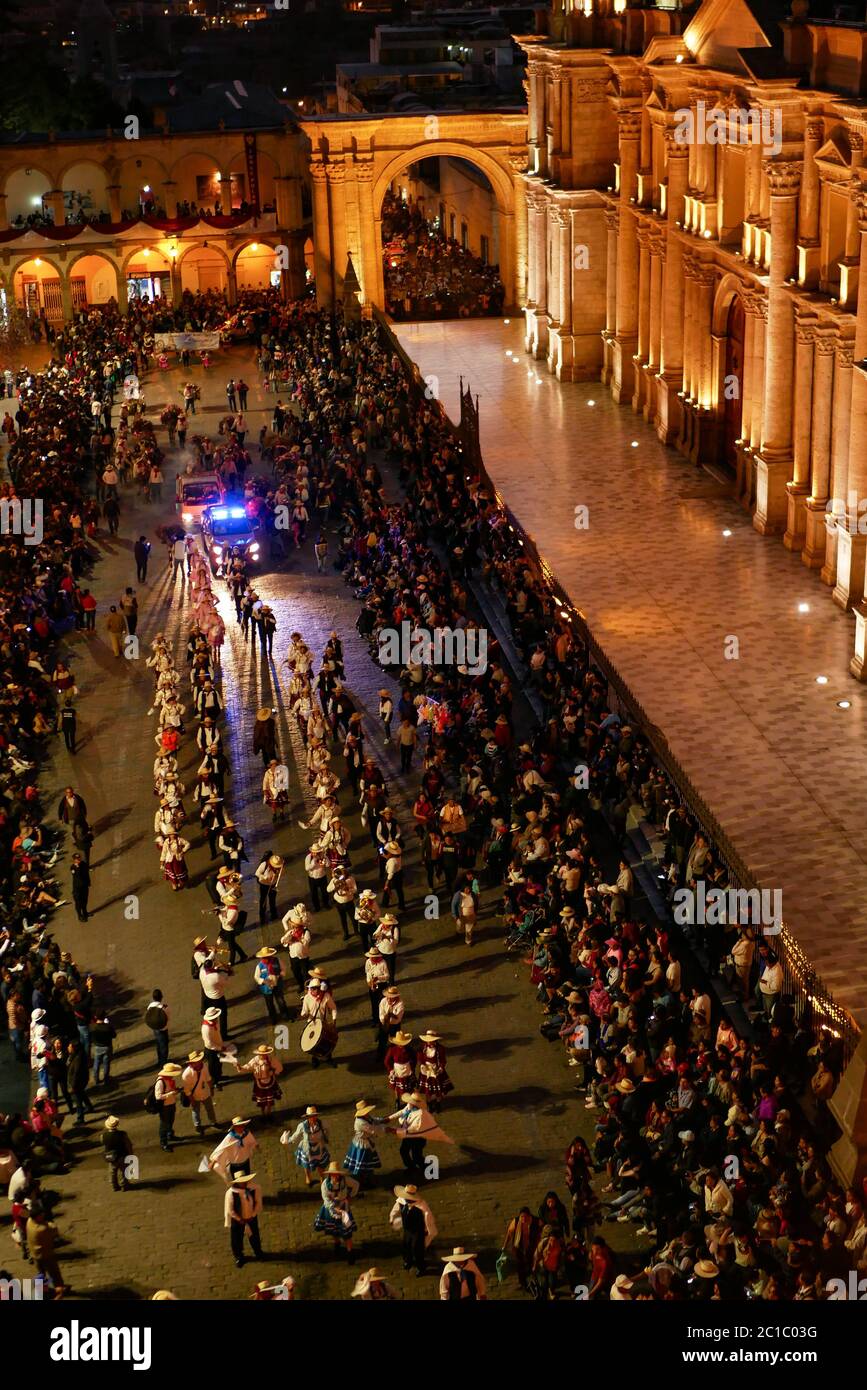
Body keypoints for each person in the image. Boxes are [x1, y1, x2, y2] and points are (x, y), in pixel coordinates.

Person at [314, 1162, 358, 1262]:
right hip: (330, 1210)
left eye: (337, 1174)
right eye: (333, 1174)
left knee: (347, 1233)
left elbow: (356, 1185)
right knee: (333, 1230)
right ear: (330, 1174)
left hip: (343, 1209)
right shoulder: (325, 1184)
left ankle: (350, 1253)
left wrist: (350, 1196)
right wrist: (334, 1207)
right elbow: (326, 1199)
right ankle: (337, 1243)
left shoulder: (345, 1180)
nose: (335, 1176)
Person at [390, 1182, 437, 1276]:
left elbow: (429, 1218)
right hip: (407, 1230)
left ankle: (421, 1267)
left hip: (418, 1231)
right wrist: (392, 1218)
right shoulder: (402, 1201)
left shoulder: (422, 1206)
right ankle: (408, 1261)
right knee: (406, 1245)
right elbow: (395, 1209)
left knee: (417, 1249)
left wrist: (429, 1230)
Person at [282, 1105, 330, 1186]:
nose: (313, 1118)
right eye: (311, 1116)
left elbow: (327, 1130)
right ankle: (308, 1176)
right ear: (307, 1117)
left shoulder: (321, 1123)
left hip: (319, 1147)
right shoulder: (302, 1126)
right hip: (307, 1148)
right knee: (306, 1165)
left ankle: (322, 1178)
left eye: (314, 1116)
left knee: (321, 1165)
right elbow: (295, 1136)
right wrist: (288, 1140)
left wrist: (325, 1137)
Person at [224, 1170, 263, 1268]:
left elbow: (258, 1203)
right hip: (238, 1220)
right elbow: (230, 1210)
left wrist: (253, 1215)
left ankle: (258, 1252)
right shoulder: (231, 1193)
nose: (244, 1183)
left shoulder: (254, 1188)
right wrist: (239, 1219)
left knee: (254, 1236)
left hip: (251, 1217)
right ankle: (239, 1256)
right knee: (236, 1239)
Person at [343, 1099, 386, 1188]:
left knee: (366, 1162)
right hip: (362, 1145)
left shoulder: (366, 1117)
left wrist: (383, 1120)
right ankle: (363, 1181)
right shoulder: (360, 1122)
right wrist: (387, 1129)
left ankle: (366, 1179)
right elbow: (373, 1130)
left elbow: (374, 1120)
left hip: (366, 1143)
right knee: (363, 1163)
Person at [236, 1043, 283, 1120]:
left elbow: (279, 1067)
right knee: (261, 1101)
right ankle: (263, 1115)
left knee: (269, 1101)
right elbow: (247, 1067)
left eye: (265, 1054)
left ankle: (269, 1114)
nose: (264, 1055)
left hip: (270, 1082)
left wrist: (274, 1072)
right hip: (259, 1083)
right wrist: (240, 1067)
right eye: (262, 1054)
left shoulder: (271, 1059)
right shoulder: (255, 1061)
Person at [210, 1117, 257, 1182]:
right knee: (238, 1181)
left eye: (242, 1125)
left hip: (245, 1162)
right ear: (235, 1127)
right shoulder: (230, 1137)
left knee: (247, 1179)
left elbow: (252, 1141)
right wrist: (213, 1161)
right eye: (239, 1126)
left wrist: (255, 1145)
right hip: (235, 1165)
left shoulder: (247, 1133)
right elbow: (222, 1148)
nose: (241, 1127)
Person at [182, 1051, 218, 1134]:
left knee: (210, 1108)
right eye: (197, 1061)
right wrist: (192, 1100)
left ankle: (213, 1122)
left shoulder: (204, 1066)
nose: (200, 1062)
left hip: (205, 1092)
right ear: (192, 1063)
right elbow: (187, 1091)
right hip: (194, 1096)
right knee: (195, 1111)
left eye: (200, 1060)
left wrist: (211, 1089)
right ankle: (197, 1126)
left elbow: (208, 1079)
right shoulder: (186, 1075)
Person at [253, 947, 291, 1024]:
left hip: (277, 986)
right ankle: (273, 1018)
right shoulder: (259, 966)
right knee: (270, 1004)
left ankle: (285, 1015)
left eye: (268, 957)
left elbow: (283, 969)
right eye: (265, 957)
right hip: (266, 988)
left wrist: (280, 975)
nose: (266, 959)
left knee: (281, 1001)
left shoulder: (277, 960)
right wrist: (263, 981)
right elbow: (256, 977)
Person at [153, 1061, 182, 1151]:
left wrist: (176, 1091)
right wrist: (171, 1093)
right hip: (164, 1106)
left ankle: (170, 1134)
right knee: (164, 1124)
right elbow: (158, 1096)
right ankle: (163, 1142)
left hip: (171, 1104)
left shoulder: (170, 1080)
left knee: (170, 1120)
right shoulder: (160, 1082)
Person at [102, 1116, 134, 1192]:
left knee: (112, 1172)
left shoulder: (103, 1136)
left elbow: (105, 1145)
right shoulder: (122, 1134)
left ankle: (114, 1186)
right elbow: (128, 1144)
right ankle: (124, 1185)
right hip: (122, 1156)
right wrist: (131, 1154)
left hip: (111, 1157)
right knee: (123, 1171)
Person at [255, 851, 283, 923]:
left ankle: (273, 915)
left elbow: (279, 875)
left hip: (273, 884)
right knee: (263, 901)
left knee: (272, 900)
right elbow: (257, 873)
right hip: (264, 885)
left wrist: (277, 876)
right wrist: (264, 877)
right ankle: (262, 917)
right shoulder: (264, 864)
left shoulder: (280, 865)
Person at [145, 989, 170, 1066]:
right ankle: (164, 1063)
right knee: (164, 1046)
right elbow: (168, 1018)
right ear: (161, 997)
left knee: (158, 1044)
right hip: (163, 1028)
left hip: (155, 1028)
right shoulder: (164, 1007)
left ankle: (160, 1060)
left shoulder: (150, 1006)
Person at [71, 852, 90, 921]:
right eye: (77, 859)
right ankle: (80, 916)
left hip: (84, 886)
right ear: (74, 860)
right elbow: (78, 876)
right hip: (77, 889)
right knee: (78, 903)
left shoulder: (84, 864)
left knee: (85, 900)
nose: (78, 860)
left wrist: (88, 882)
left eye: (79, 858)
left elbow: (86, 874)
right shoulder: (73, 868)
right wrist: (77, 867)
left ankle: (85, 912)